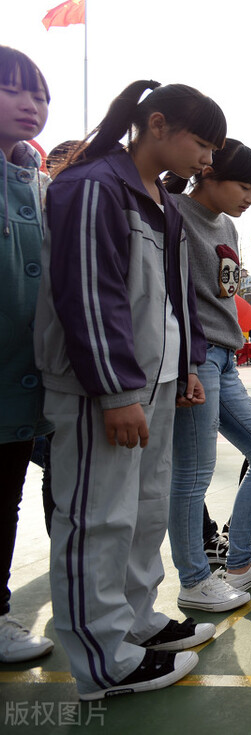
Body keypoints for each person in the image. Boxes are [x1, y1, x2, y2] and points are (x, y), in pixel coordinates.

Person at [37, 81, 225, 698]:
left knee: (143, 510)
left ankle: (137, 620)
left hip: (158, 378)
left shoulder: (161, 204)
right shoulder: (93, 185)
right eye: (202, 143)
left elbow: (174, 297)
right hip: (104, 388)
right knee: (99, 516)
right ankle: (102, 659)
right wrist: (115, 391)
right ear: (157, 124)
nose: (207, 160)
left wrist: (188, 362)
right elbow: (89, 292)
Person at [167, 139, 251, 616]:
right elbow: (169, 294)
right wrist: (185, 365)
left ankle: (238, 564)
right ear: (208, 173)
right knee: (192, 475)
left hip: (226, 359)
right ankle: (195, 579)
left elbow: (225, 293)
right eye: (244, 185)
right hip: (193, 359)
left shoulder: (229, 227)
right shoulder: (172, 212)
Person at [0, 45, 54, 663]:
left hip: (20, 383)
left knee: (5, 498)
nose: (30, 104)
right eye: (14, 90)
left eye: (39, 95)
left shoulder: (35, 184)